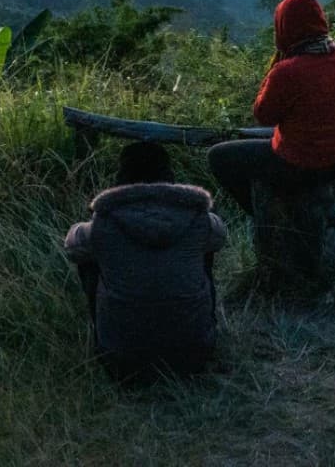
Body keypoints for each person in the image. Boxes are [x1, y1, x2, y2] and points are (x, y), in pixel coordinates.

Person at [63, 141, 226, 381]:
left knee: (88, 257)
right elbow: (220, 236)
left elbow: (71, 247)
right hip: (195, 355)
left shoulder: (104, 224)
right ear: (170, 176)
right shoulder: (198, 218)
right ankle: (196, 327)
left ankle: (104, 333)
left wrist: (92, 222)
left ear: (120, 177)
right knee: (203, 249)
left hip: (121, 361)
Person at [208, 0, 335, 216]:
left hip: (302, 165)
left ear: (283, 27)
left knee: (218, 156)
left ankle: (265, 215)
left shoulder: (288, 70)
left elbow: (263, 115)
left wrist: (275, 66)